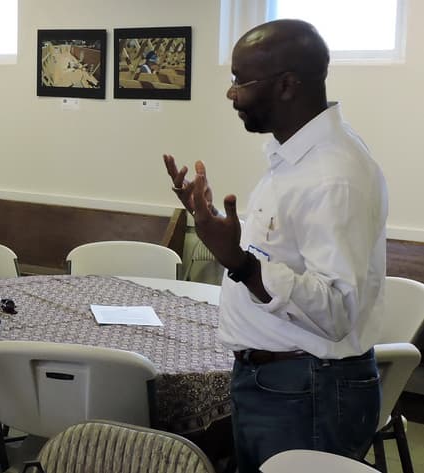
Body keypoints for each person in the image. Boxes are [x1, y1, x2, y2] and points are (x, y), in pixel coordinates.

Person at [163, 19, 386, 472]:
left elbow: (337, 310)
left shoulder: (332, 175)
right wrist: (211, 226)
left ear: (287, 85)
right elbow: (287, 254)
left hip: (306, 389)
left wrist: (243, 265)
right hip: (279, 382)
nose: (231, 95)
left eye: (239, 82)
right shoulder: (295, 160)